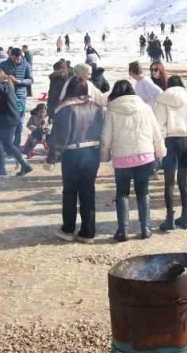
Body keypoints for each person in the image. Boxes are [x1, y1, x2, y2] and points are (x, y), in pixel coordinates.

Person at [102, 79, 165, 240]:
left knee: (122, 193)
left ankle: (123, 230)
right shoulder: (145, 108)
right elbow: (156, 134)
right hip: (145, 157)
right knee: (143, 192)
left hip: (122, 159)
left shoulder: (111, 110)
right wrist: (160, 152)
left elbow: (105, 138)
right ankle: (145, 228)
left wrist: (105, 155)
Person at [49, 77, 106, 243]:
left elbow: (60, 135)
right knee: (88, 191)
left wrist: (52, 156)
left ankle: (68, 229)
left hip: (72, 153)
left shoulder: (66, 109)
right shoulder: (96, 107)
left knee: (70, 192)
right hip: (92, 152)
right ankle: (88, 231)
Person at [155, 75, 187, 231]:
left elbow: (159, 125)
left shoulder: (163, 100)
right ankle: (185, 217)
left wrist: (159, 145)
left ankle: (169, 219)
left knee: (169, 182)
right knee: (182, 182)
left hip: (170, 142)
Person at [0, 68, 32, 178]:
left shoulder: (6, 83)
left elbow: (4, 92)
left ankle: (2, 168)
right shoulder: (0, 85)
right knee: (6, 144)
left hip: (9, 118)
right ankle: (24, 165)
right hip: (3, 118)